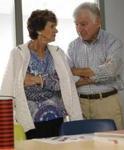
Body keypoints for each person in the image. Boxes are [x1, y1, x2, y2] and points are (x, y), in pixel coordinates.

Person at [0, 9, 83, 139]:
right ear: (39, 30)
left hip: (56, 117)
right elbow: (10, 86)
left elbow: (64, 83)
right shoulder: (18, 54)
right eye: (52, 26)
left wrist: (37, 79)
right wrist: (47, 80)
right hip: (30, 119)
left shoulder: (58, 53)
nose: (56, 30)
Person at [67, 2, 124, 129]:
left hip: (106, 103)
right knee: (83, 146)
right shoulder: (72, 46)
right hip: (80, 105)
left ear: (98, 21)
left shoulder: (113, 42)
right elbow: (68, 78)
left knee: (112, 146)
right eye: (76, 24)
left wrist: (78, 72)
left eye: (83, 24)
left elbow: (110, 71)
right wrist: (96, 75)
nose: (79, 29)